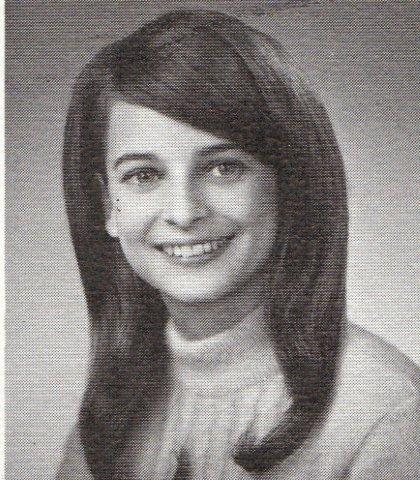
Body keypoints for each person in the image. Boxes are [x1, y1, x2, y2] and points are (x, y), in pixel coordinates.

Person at [57, 10, 419, 480]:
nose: (184, 212)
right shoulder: (114, 409)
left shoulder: (385, 409)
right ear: (107, 205)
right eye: (144, 175)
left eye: (223, 168)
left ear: (289, 184)